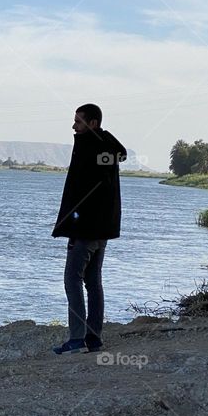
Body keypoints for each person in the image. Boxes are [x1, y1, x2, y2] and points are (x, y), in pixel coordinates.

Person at [51, 103, 126, 355]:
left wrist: (73, 224)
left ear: (92, 124)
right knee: (93, 282)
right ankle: (93, 338)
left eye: (78, 122)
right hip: (102, 228)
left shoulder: (88, 146)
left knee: (72, 279)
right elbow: (119, 153)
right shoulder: (105, 146)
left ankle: (77, 339)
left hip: (85, 229)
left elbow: (79, 191)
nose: (74, 126)